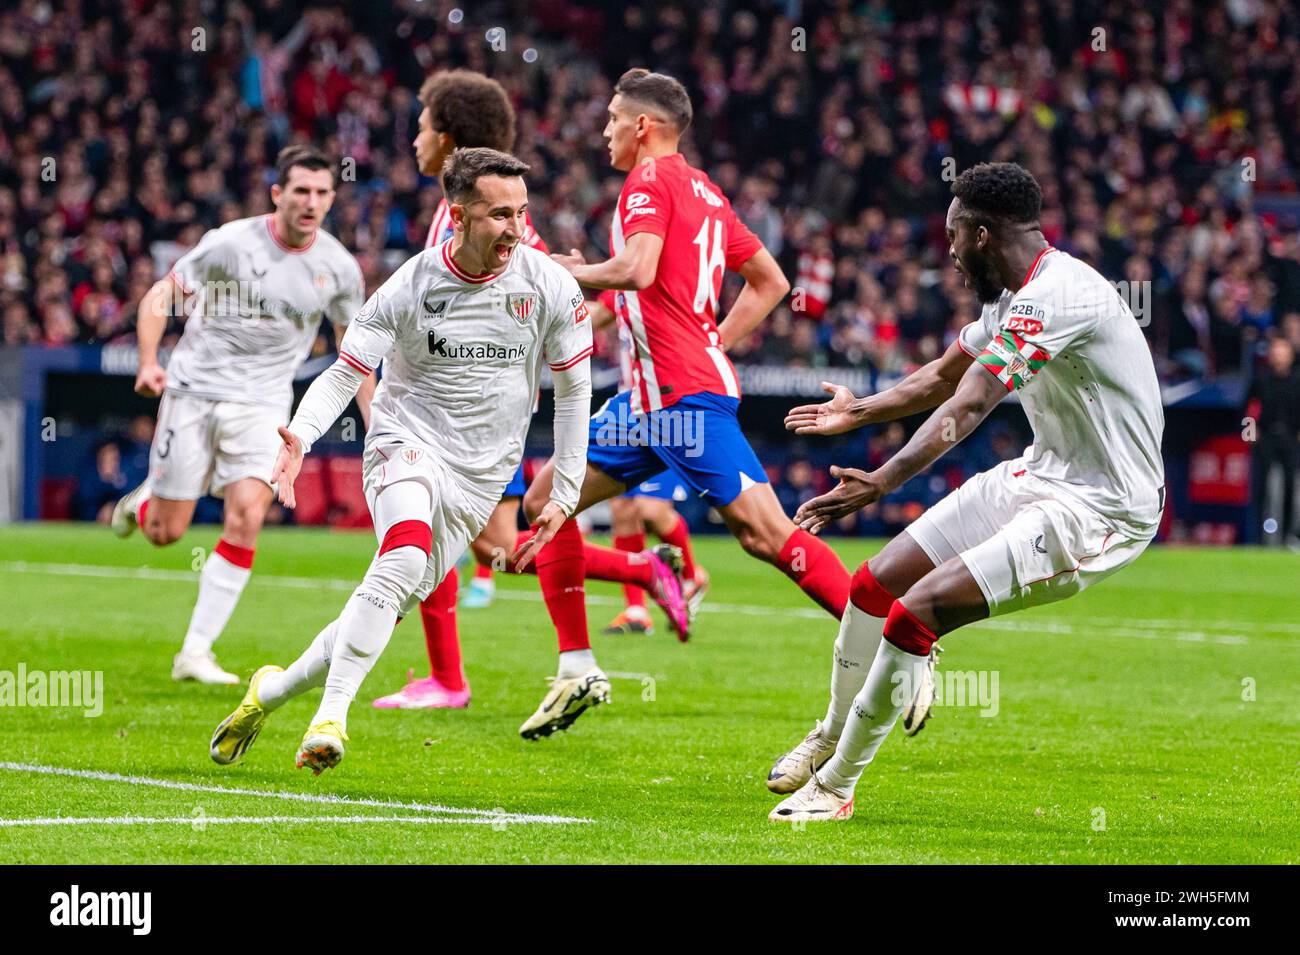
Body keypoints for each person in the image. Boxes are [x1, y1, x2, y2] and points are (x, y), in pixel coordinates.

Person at [767, 163, 1165, 822]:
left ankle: (837, 787)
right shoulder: (1011, 296)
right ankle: (830, 732)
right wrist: (859, 411)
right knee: (874, 584)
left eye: (953, 236)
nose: (949, 254)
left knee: (914, 612)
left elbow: (975, 399)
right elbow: (945, 374)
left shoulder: (1060, 295)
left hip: (1103, 508)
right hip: (1043, 473)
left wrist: (886, 477)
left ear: (981, 234)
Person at [209, 147, 593, 774]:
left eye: (522, 213)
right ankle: (331, 718)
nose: (516, 230)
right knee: (405, 554)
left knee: (384, 599)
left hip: (481, 476)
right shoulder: (411, 284)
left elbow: (575, 390)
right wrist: (301, 436)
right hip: (405, 441)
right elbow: (346, 372)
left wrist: (565, 492)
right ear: (459, 214)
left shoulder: (547, 282)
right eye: (500, 215)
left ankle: (270, 690)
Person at [520, 69, 855, 738]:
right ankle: (577, 665)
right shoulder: (704, 191)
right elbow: (766, 281)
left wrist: (566, 269)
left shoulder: (646, 182)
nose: (605, 130)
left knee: (766, 534)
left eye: (613, 118)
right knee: (541, 505)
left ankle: (901, 638)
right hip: (646, 401)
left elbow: (638, 269)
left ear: (642, 126)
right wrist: (712, 340)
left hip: (681, 397)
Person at [372, 70, 685, 710]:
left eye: (424, 125)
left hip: (483, 419)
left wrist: (591, 314)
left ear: (448, 136)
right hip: (462, 416)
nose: (414, 141)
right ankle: (449, 677)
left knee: (493, 544)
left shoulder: (488, 226)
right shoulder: (459, 214)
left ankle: (454, 677)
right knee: (472, 541)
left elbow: (554, 302)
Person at [111, 145, 371, 686]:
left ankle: (196, 652)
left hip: (265, 405)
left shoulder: (338, 268)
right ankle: (145, 505)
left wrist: (376, 421)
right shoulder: (230, 244)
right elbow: (163, 294)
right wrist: (147, 361)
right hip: (193, 391)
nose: (311, 202)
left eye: (323, 193)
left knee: (248, 515)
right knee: (166, 534)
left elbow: (356, 355)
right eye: (301, 190)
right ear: (277, 194)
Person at [590, 289, 708, 637]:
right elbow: (596, 315)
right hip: (630, 408)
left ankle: (690, 576)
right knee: (622, 509)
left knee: (650, 510)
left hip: (670, 409)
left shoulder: (677, 289)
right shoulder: (623, 288)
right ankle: (636, 609)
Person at [1246, 336, 1300, 544]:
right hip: (1265, 437)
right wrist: (1250, 433)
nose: (1279, 356)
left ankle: (1288, 535)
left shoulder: (1296, 380)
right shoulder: (1260, 379)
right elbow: (1247, 409)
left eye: (1283, 352)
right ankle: (1257, 537)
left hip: (1290, 438)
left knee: (1290, 487)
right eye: (1276, 351)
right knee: (1260, 488)